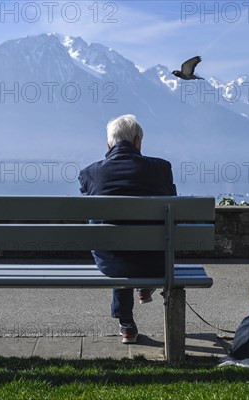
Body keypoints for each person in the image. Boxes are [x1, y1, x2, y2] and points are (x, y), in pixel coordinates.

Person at [78, 114, 177, 343]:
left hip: (111, 261)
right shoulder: (161, 168)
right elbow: (172, 208)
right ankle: (145, 284)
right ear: (137, 141)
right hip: (154, 261)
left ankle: (126, 324)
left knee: (116, 244)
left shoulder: (90, 173)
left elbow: (91, 215)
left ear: (108, 144)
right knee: (135, 244)